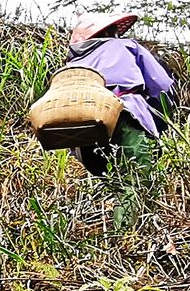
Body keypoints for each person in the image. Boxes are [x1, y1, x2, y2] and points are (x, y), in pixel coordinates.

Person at [60, 14, 179, 174]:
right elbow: (162, 85)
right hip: (125, 114)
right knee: (138, 179)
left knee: (113, 182)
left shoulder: (71, 64)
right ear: (109, 32)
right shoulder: (126, 46)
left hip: (85, 132)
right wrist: (160, 117)